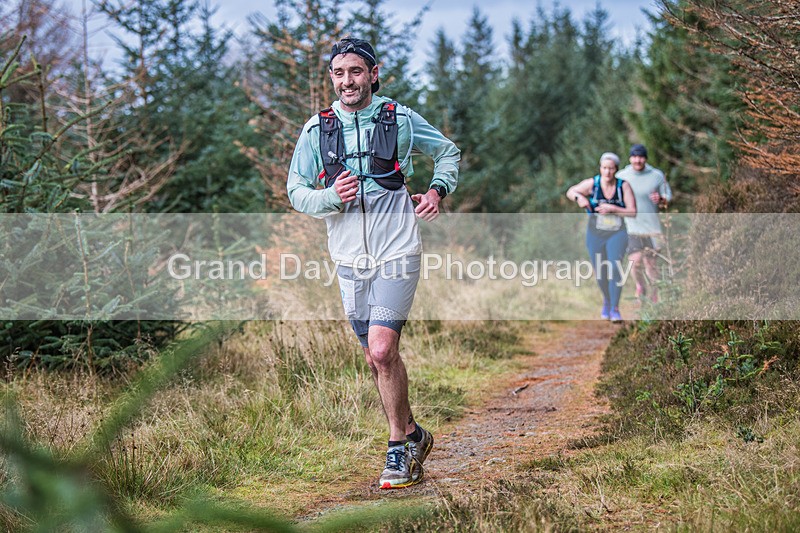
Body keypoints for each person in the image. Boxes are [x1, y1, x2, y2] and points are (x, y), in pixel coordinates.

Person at [286, 38, 460, 489]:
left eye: (356, 72)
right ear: (332, 78)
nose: (348, 81)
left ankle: (396, 452)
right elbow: (296, 190)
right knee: (375, 357)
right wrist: (329, 197)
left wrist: (437, 190)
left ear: (373, 73)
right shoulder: (316, 129)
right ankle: (414, 434)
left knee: (382, 350)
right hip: (347, 258)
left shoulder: (399, 118)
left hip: (397, 250)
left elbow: (448, 151)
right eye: (339, 73)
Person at [566, 152, 637, 322]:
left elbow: (633, 212)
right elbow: (571, 191)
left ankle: (615, 308)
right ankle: (606, 300)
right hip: (595, 235)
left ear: (616, 170)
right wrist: (579, 198)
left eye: (611, 169)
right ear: (600, 168)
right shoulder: (593, 183)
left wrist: (613, 209)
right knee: (600, 272)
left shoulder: (623, 186)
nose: (607, 172)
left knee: (615, 269)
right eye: (604, 168)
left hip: (617, 234)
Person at [616, 144, 673, 303]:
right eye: (634, 157)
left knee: (651, 265)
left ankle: (654, 295)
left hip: (652, 228)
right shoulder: (622, 176)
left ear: (645, 159)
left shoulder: (656, 176)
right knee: (635, 263)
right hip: (632, 227)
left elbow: (667, 196)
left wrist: (661, 199)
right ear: (630, 158)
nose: (637, 160)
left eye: (640, 157)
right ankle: (640, 287)